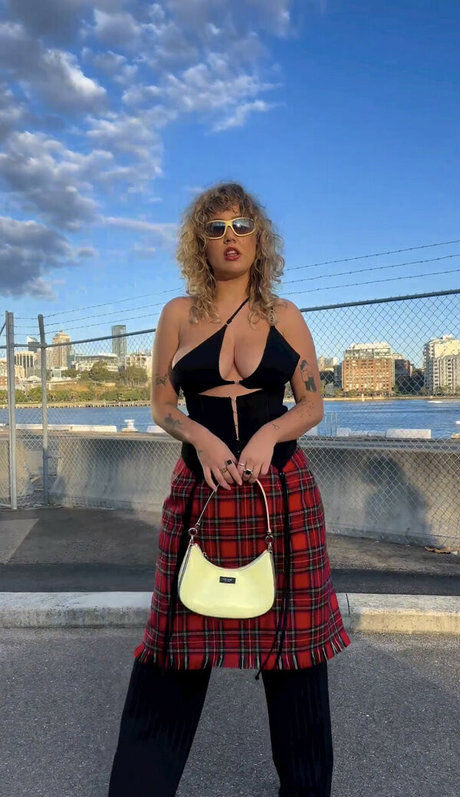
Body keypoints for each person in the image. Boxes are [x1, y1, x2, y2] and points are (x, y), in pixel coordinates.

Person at [108, 183, 351, 797]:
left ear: (259, 238)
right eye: (215, 228)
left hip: (283, 498)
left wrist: (270, 432)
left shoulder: (285, 315)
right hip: (201, 496)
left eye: (242, 225)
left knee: (296, 658)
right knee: (172, 654)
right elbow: (162, 404)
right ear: (201, 243)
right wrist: (201, 437)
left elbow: (312, 403)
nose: (230, 237)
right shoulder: (177, 314)